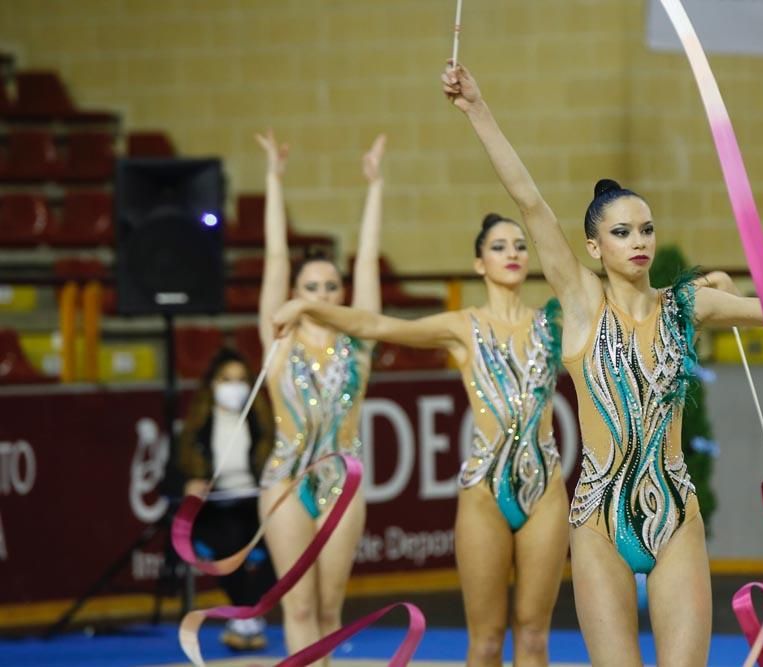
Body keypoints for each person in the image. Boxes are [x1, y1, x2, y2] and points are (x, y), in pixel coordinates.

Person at [442, 62, 763, 666]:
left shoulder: (688, 304)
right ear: (593, 246)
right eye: (623, 231)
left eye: (647, 229)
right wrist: (478, 109)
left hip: (674, 513)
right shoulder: (580, 306)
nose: (640, 241)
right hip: (598, 524)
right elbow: (528, 199)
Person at [272, 210, 568, 667]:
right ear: (478, 264)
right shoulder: (461, 326)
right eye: (499, 246)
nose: (512, 253)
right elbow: (376, 326)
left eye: (519, 245)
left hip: (545, 488)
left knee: (533, 635)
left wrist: (692, 295)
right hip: (484, 490)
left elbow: (621, 310)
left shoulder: (551, 322)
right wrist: (310, 308)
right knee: (486, 640)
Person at [254, 129, 387, 663]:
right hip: (286, 479)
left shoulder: (358, 347)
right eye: (312, 288)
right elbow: (273, 257)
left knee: (330, 610)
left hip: (343, 481)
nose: (324, 296)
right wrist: (273, 179)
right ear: (295, 296)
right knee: (299, 608)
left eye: (332, 287)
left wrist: (375, 186)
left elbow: (369, 261)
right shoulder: (278, 341)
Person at [175, 347, 276, 651]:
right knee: (230, 539)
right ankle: (247, 617)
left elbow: (275, 463)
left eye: (241, 380)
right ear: (212, 384)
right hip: (214, 508)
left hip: (256, 503)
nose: (234, 387)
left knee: (279, 537)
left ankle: (244, 618)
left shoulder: (261, 423)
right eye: (226, 379)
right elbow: (174, 474)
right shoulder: (197, 428)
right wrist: (189, 484)